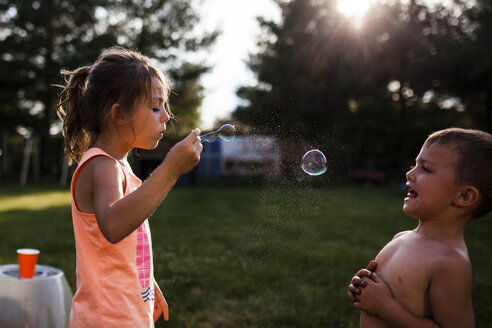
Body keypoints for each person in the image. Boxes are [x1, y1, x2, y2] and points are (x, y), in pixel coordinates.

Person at [56, 47, 203, 327]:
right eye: (155, 107)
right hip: (107, 319)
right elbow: (113, 226)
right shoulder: (103, 167)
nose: (166, 116)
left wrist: (145, 281)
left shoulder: (117, 167)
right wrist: (170, 170)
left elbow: (122, 246)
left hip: (123, 312)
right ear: (120, 115)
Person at [347, 128, 492, 327]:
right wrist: (363, 287)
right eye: (415, 165)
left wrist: (384, 306)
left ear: (464, 196)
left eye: (426, 169)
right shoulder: (401, 237)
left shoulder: (449, 262)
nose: (410, 174)